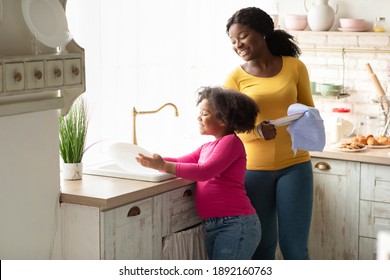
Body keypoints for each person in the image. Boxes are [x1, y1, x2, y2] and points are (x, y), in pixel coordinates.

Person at [224, 7, 316, 260]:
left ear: (263, 32)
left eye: (242, 36)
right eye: (232, 40)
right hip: (253, 170)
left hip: (295, 166)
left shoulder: (295, 67)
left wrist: (305, 117)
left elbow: (309, 109)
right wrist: (257, 132)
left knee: (295, 248)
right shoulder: (235, 78)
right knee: (262, 248)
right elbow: (227, 130)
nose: (238, 44)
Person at [136, 86, 261, 260]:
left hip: (235, 224)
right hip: (216, 224)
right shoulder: (207, 147)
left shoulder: (231, 143)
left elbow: (204, 172)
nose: (198, 117)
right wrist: (150, 160)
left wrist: (164, 165)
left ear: (222, 120)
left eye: (204, 113)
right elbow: (180, 161)